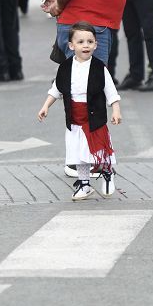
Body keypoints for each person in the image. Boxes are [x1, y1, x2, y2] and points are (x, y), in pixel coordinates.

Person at [37, 21, 122, 201]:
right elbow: (56, 89)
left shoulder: (99, 67)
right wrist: (46, 106)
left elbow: (110, 90)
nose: (86, 45)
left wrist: (115, 109)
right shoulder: (65, 67)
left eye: (90, 42)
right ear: (71, 45)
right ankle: (84, 184)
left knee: (99, 148)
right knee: (78, 152)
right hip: (74, 116)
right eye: (81, 42)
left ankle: (107, 172)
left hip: (94, 116)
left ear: (95, 44)